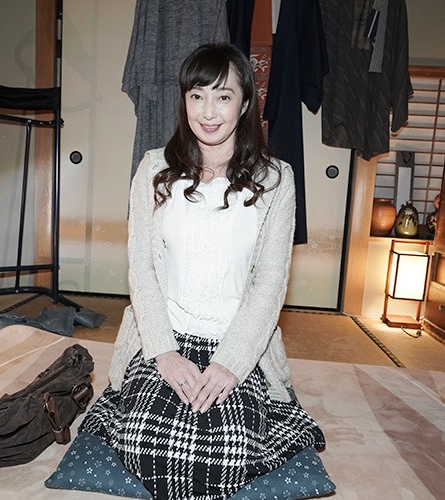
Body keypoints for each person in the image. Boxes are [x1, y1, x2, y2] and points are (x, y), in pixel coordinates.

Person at [79, 42, 325, 499]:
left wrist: (231, 364)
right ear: (184, 100)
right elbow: (142, 271)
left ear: (245, 103)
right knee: (147, 445)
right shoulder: (154, 170)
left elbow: (270, 283)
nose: (208, 112)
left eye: (223, 96)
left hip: (237, 342)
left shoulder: (276, 179)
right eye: (197, 96)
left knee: (229, 454)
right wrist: (163, 354)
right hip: (165, 336)